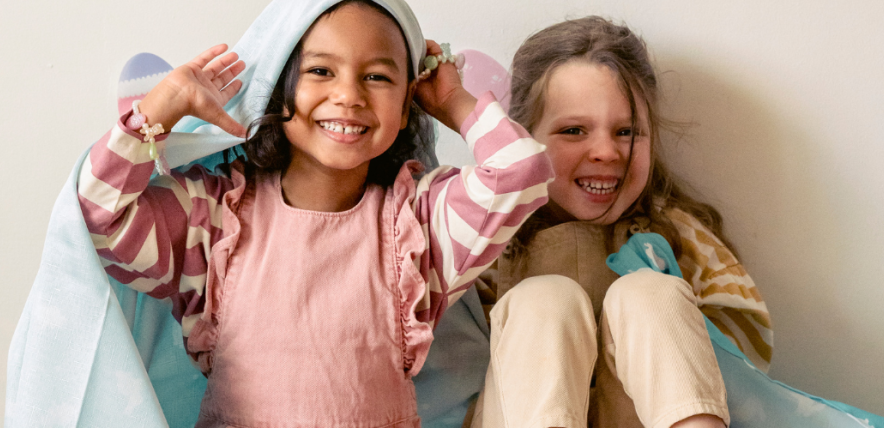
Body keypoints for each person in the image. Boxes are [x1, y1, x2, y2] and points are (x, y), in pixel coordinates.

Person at [75, 0, 553, 426]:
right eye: (321, 71)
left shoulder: (418, 229)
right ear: (281, 87)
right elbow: (99, 219)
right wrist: (163, 107)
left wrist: (451, 100)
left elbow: (521, 172)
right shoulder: (214, 220)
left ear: (407, 105)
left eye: (378, 76)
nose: (349, 95)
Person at [468, 16, 773, 428]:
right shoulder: (488, 238)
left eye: (627, 131)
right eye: (574, 130)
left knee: (649, 294)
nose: (606, 152)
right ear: (524, 139)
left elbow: (749, 368)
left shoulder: (676, 234)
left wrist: (662, 330)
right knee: (544, 299)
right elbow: (447, 369)